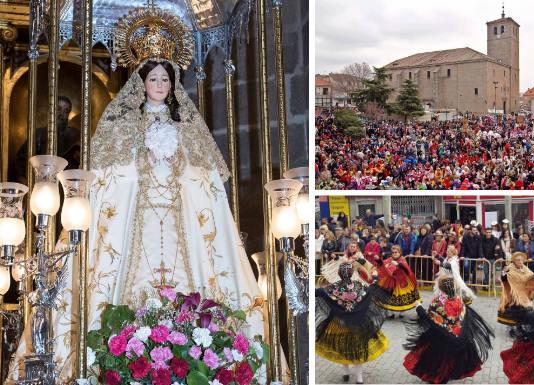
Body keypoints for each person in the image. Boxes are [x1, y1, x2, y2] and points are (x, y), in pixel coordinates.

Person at [9, 15, 264, 382]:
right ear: (141, 84)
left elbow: (206, 182)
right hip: (132, 227)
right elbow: (108, 178)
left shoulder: (188, 130)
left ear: (173, 84)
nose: (159, 84)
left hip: (182, 230)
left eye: (165, 78)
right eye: (153, 78)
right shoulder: (119, 127)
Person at [403, 275, 494, 384]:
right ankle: (453, 371)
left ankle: (439, 375)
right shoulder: (459, 299)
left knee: (435, 349)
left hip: (444, 339)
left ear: (441, 288)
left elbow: (428, 320)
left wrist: (418, 307)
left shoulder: (437, 303)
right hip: (460, 338)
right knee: (449, 352)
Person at [316, 263, 389, 384]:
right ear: (351, 273)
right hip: (358, 324)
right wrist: (375, 278)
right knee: (358, 348)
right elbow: (371, 289)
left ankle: (346, 373)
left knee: (343, 347)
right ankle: (359, 378)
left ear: (339, 274)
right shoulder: (359, 286)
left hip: (340, 324)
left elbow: (320, 292)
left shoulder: (333, 288)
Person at [13, 95, 81, 184]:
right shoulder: (39, 134)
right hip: (40, 184)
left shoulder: (74, 135)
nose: (61, 114)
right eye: (58, 109)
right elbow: (21, 160)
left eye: (66, 111)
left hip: (66, 185)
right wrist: (23, 179)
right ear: (51, 111)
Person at [497, 252, 534, 325]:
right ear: (514, 261)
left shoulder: (525, 269)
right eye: (518, 260)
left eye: (521, 260)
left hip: (523, 293)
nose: (520, 261)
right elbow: (504, 280)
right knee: (516, 308)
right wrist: (504, 273)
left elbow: (532, 277)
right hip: (512, 292)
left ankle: (523, 323)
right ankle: (513, 325)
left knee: (527, 308)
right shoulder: (509, 268)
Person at [376, 245, 420, 318]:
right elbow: (383, 266)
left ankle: (401, 312)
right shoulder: (389, 259)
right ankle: (391, 313)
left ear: (400, 252)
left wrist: (399, 265)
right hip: (390, 281)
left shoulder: (402, 260)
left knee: (401, 297)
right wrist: (378, 260)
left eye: (396, 252)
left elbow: (406, 269)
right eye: (393, 252)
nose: (394, 254)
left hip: (402, 281)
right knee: (390, 297)